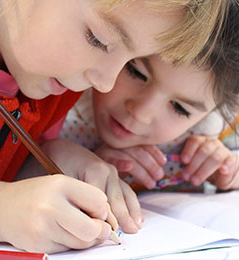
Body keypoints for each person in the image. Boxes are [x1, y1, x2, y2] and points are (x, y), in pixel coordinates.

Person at [0, 0, 227, 254]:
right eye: (99, 40)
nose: (105, 84)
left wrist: (42, 164)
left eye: (131, 60)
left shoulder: (54, 89)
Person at [60, 0, 239, 193]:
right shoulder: (60, 91)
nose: (140, 113)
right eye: (136, 72)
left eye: (180, 108)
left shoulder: (216, 130)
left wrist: (229, 170)